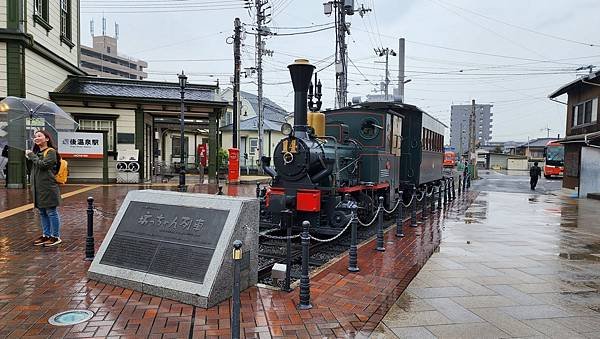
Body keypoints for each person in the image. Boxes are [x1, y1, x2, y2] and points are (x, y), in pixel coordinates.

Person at [25, 130, 62, 246]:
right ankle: (46, 235)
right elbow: (31, 169)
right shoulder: (36, 153)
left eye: (39, 136)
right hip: (37, 188)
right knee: (42, 212)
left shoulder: (51, 152)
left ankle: (55, 236)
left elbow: (44, 165)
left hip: (48, 187)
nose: (36, 138)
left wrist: (31, 155)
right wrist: (29, 158)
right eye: (35, 136)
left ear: (46, 139)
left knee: (51, 211)